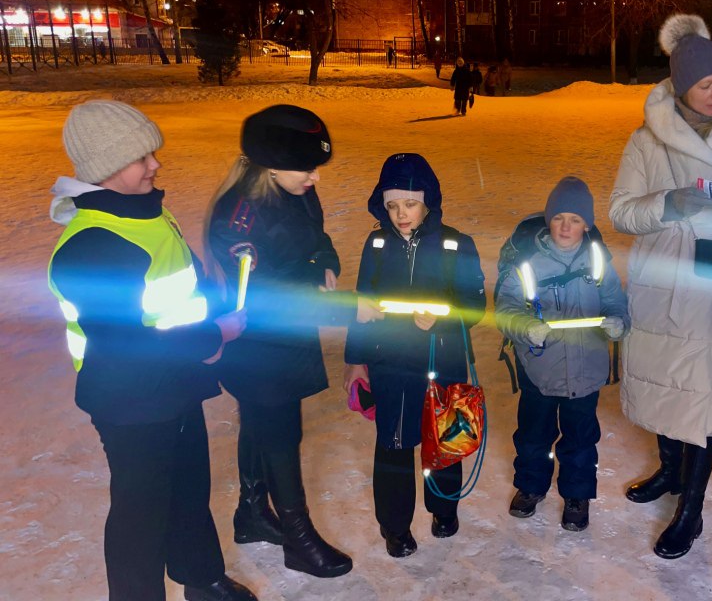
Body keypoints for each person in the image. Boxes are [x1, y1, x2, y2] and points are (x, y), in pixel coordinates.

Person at [47, 100, 257, 601]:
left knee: (188, 490)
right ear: (106, 168)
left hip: (176, 384)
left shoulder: (146, 215)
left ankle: (201, 578)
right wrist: (214, 337)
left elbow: (175, 288)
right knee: (140, 513)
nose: (155, 165)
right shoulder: (91, 245)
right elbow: (123, 342)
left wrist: (214, 295)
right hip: (131, 402)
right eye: (142, 158)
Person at [608, 13, 712, 559]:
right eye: (706, 85)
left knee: (705, 400)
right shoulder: (646, 142)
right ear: (681, 86)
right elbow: (621, 213)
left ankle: (691, 511)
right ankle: (670, 472)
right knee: (666, 386)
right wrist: (668, 204)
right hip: (666, 279)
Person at [205, 104, 383, 579]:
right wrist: (347, 307)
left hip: (286, 337)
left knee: (263, 424)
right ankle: (298, 539)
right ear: (271, 165)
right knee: (280, 432)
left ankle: (251, 513)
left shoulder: (295, 193)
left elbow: (315, 235)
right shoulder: (238, 220)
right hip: (257, 343)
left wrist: (325, 259)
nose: (315, 178)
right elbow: (269, 297)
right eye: (307, 168)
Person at [342, 153, 486, 558]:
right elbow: (363, 306)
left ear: (428, 201)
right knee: (393, 445)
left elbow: (474, 306)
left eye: (409, 203)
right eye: (391, 205)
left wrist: (440, 319)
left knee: (444, 439)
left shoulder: (457, 245)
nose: (401, 214)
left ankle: (444, 508)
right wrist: (356, 359)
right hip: (391, 364)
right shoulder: (377, 243)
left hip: (444, 361)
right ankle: (395, 526)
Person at [495, 177, 629, 532]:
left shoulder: (598, 260)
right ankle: (530, 485)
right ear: (548, 220)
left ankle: (577, 493)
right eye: (558, 218)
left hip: (586, 372)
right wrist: (524, 326)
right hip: (540, 368)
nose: (566, 227)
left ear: (587, 223)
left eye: (574, 219)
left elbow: (615, 301)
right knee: (533, 434)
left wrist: (619, 322)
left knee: (581, 437)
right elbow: (505, 308)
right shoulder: (528, 265)